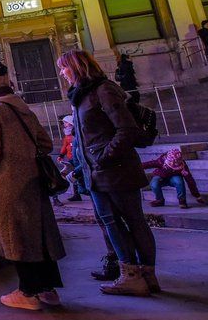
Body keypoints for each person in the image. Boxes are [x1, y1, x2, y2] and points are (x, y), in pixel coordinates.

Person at [58, 49, 157, 297]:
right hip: (98, 172)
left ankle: (137, 275)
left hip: (113, 171)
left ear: (77, 67)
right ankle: (137, 273)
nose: (61, 73)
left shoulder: (103, 90)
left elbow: (126, 129)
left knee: (128, 221)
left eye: (64, 67)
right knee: (113, 222)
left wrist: (103, 158)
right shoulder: (81, 96)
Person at [0, 62, 66, 310]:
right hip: (33, 180)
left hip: (8, 182)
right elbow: (46, 143)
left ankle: (28, 291)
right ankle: (48, 288)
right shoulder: (21, 107)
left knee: (15, 236)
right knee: (38, 234)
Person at [57, 116, 83, 202]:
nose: (64, 124)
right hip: (71, 158)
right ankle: (77, 194)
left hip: (77, 157)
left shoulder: (75, 134)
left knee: (76, 175)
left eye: (65, 122)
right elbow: (65, 146)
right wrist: (61, 154)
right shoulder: (67, 136)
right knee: (73, 175)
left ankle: (79, 192)